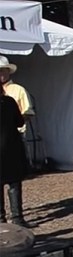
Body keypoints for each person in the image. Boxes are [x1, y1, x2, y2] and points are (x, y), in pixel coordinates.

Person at [0, 84, 35, 228]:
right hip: (10, 148)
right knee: (14, 183)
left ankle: (1, 219)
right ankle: (17, 218)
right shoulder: (9, 102)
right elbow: (19, 122)